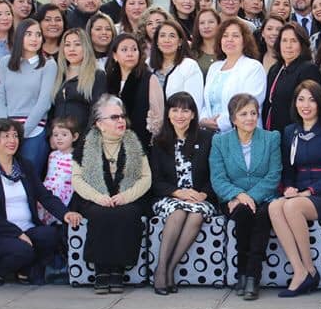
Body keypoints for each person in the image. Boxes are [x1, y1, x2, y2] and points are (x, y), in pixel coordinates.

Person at [0, 118, 81, 285]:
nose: (12, 141)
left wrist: (65, 213)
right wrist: (17, 234)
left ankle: (24, 269)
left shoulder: (25, 166)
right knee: (23, 250)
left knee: (51, 235)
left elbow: (44, 196)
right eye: (6, 136)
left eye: (15, 136)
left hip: (28, 229)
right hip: (0, 232)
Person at [270, 81, 321, 297]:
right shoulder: (290, 131)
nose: (306, 105)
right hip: (299, 193)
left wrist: (308, 191)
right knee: (275, 207)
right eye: (301, 99)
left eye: (312, 100)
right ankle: (299, 270)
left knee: (293, 208)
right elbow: (288, 170)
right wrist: (289, 187)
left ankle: (310, 270)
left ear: (320, 103)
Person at [71, 95, 152, 294]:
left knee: (127, 213)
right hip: (96, 197)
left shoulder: (134, 142)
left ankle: (117, 270)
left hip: (128, 197)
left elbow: (146, 177)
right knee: (100, 213)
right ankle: (101, 269)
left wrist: (126, 196)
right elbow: (77, 179)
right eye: (114, 117)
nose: (121, 121)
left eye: (122, 116)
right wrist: (98, 197)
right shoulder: (86, 144)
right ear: (99, 124)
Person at [209, 93, 281, 300]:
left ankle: (251, 276)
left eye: (253, 113)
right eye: (243, 114)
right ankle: (243, 271)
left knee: (261, 215)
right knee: (243, 212)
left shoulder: (271, 138)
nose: (250, 118)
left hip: (265, 196)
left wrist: (252, 196)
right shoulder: (220, 142)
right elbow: (218, 178)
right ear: (233, 119)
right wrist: (238, 195)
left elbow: (274, 175)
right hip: (233, 198)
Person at [149, 92, 217, 294]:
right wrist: (178, 193)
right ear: (168, 114)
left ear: (194, 114)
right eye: (175, 110)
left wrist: (204, 194)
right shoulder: (159, 141)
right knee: (178, 212)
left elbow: (217, 174)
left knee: (196, 213)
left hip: (200, 198)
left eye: (185, 110)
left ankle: (169, 269)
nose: (180, 115)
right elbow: (155, 181)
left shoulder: (207, 138)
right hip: (169, 197)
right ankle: (162, 270)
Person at [0, 19, 58, 173]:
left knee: (28, 179)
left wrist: (21, 133)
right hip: (6, 131)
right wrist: (6, 130)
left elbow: (44, 102)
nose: (34, 39)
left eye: (38, 35)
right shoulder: (5, 63)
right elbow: (0, 97)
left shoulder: (48, 65)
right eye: (29, 34)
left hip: (34, 131)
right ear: (19, 36)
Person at [200, 19, 266, 133]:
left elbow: (249, 104)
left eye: (235, 36)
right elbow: (206, 103)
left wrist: (218, 123)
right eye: (225, 36)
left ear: (244, 41)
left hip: (243, 136)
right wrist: (204, 120)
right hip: (212, 136)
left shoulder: (253, 67)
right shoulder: (214, 68)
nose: (229, 39)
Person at [104, 33, 163, 151]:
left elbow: (158, 117)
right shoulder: (108, 80)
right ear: (115, 55)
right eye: (124, 50)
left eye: (134, 49)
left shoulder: (148, 78)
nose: (130, 54)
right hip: (112, 146)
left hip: (141, 145)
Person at [262, 23, 321, 133]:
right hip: (272, 132)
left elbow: (312, 107)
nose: (288, 45)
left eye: (293, 41)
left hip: (295, 134)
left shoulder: (308, 70)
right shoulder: (275, 69)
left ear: (301, 44)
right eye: (284, 40)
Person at [52, 28, 106, 130]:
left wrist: (84, 141)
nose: (72, 49)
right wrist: (51, 136)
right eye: (67, 45)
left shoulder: (97, 75)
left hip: (84, 139)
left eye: (77, 44)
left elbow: (97, 113)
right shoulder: (58, 75)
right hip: (59, 141)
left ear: (86, 47)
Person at [150, 19, 204, 111]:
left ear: (180, 42)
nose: (167, 40)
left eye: (172, 36)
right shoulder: (148, 65)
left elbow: (195, 103)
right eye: (162, 36)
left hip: (179, 121)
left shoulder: (189, 66)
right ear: (157, 42)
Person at [37, 117, 78, 226]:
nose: (59, 138)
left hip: (64, 195)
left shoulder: (76, 158)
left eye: (64, 135)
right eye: (55, 135)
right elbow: (49, 176)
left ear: (74, 137)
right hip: (49, 193)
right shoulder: (52, 155)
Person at [194, 8, 221, 77]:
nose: (206, 26)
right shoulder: (192, 52)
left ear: (218, 24)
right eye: (202, 23)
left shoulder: (227, 49)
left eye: (211, 22)